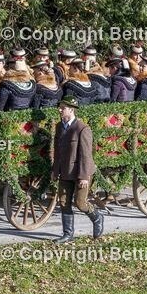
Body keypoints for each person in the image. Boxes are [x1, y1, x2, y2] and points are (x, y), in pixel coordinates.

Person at [51, 96, 104, 244]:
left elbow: (86, 155)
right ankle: (68, 234)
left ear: (71, 109)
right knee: (63, 202)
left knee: (80, 203)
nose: (59, 110)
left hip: (81, 172)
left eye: (63, 108)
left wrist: (84, 177)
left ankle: (97, 217)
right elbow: (57, 151)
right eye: (60, 107)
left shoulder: (82, 129)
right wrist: (55, 171)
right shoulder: (59, 127)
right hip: (65, 171)